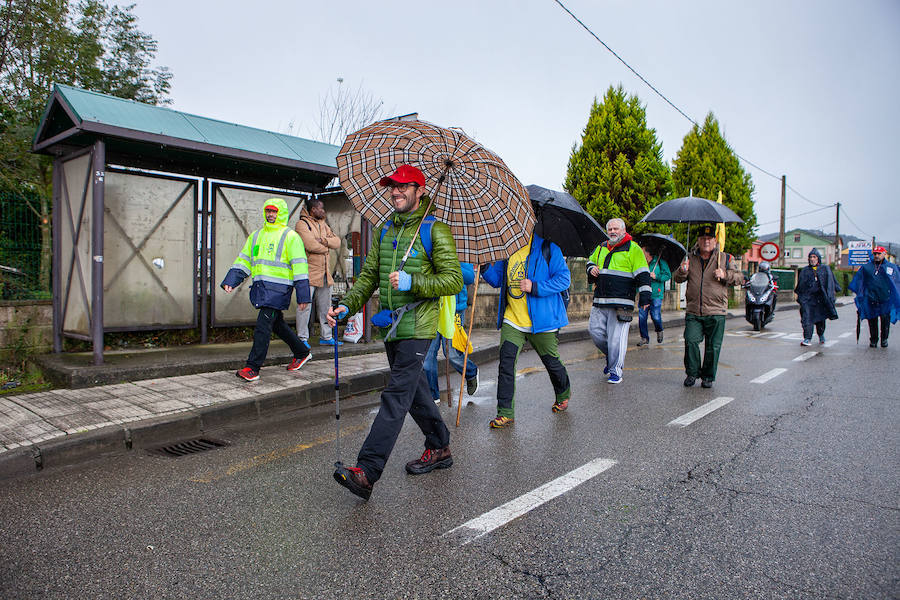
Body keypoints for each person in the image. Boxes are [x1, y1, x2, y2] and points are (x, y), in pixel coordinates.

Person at [327, 164, 462, 500]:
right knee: (415, 393)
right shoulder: (387, 229)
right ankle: (440, 446)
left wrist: (412, 281)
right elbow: (369, 275)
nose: (396, 192)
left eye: (403, 187)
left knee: (396, 396)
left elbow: (454, 280)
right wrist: (347, 306)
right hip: (393, 327)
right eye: (393, 187)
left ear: (420, 189)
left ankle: (367, 471)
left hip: (419, 326)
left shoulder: (436, 231)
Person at [481, 233, 571, 428]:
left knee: (552, 362)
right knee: (506, 364)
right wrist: (484, 266)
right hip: (513, 319)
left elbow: (564, 279)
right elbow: (497, 280)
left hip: (543, 321)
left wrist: (536, 286)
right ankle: (505, 412)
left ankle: (563, 393)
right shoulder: (506, 250)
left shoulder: (548, 248)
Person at [221, 198, 312, 381]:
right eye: (268, 211)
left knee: (263, 327)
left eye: (274, 211)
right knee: (277, 325)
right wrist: (231, 280)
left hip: (279, 291)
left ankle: (252, 368)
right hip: (262, 289)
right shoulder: (256, 236)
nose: (271, 214)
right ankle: (302, 352)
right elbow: (245, 260)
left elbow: (300, 267)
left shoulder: (290, 237)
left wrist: (303, 295)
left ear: (281, 213)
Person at [673, 224, 744, 389]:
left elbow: (740, 278)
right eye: (703, 238)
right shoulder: (689, 257)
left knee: (713, 346)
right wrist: (683, 271)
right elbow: (677, 278)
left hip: (716, 310)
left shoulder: (725, 258)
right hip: (693, 310)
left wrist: (725, 274)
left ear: (715, 240)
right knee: (691, 341)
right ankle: (692, 373)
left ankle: (708, 376)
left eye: (709, 238)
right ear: (698, 240)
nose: (706, 241)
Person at [586, 218, 651, 384]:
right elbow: (590, 260)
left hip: (622, 303)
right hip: (600, 300)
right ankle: (611, 356)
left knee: (617, 339)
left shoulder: (633, 249)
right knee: (595, 332)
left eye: (616, 229)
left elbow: (643, 274)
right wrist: (591, 268)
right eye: (610, 229)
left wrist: (645, 297)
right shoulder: (601, 247)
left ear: (623, 230)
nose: (612, 232)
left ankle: (615, 371)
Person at [423, 261, 479, 404]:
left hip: (454, 309)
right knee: (428, 354)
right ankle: (432, 395)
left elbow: (469, 277)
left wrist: (449, 265)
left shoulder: (459, 248)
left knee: (452, 353)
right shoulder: (431, 246)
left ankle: (471, 372)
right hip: (433, 307)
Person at [294, 196, 342, 347]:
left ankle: (326, 337)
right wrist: (327, 247)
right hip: (307, 273)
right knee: (304, 307)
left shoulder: (324, 224)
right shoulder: (302, 224)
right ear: (313, 209)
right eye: (320, 208)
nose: (323, 211)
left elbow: (338, 241)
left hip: (325, 274)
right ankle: (302, 339)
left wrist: (324, 241)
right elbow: (310, 245)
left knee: (326, 308)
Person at [849, 246, 900, 348]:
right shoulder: (866, 267)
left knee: (885, 320)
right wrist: (861, 295)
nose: (877, 256)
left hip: (885, 298)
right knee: (872, 320)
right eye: (875, 253)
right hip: (871, 298)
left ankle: (884, 339)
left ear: (884, 254)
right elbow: (859, 280)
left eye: (879, 254)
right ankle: (873, 339)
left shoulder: (891, 267)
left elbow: (897, 281)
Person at [794, 248, 840, 346]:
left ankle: (821, 334)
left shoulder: (825, 269)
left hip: (820, 299)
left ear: (818, 258)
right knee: (807, 318)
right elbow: (800, 285)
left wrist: (833, 293)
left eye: (814, 257)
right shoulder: (805, 270)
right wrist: (801, 298)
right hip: (808, 299)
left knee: (820, 319)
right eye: (810, 257)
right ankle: (807, 338)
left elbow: (831, 282)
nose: (812, 259)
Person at [637, 248, 670, 346]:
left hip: (656, 294)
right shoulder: (641, 262)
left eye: (642, 251)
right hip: (644, 294)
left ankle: (659, 330)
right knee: (642, 317)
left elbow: (668, 275)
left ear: (647, 252)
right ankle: (644, 338)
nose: (641, 253)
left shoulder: (660, 262)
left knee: (655, 316)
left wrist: (657, 276)